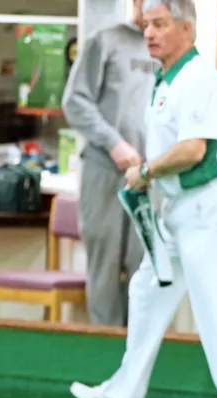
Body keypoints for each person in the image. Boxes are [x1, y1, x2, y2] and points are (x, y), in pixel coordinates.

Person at [70, 0, 217, 398]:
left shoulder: (199, 78)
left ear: (187, 30)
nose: (150, 33)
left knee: (211, 303)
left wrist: (146, 172)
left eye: (159, 24)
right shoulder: (165, 79)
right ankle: (126, 391)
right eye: (146, 25)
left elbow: (194, 149)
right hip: (178, 208)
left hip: (209, 206)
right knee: (147, 288)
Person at [61, 0, 154, 327]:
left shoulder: (170, 50)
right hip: (105, 171)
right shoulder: (105, 41)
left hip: (150, 178)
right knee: (105, 268)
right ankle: (105, 357)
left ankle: (137, 362)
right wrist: (114, 143)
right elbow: (75, 101)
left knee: (144, 268)